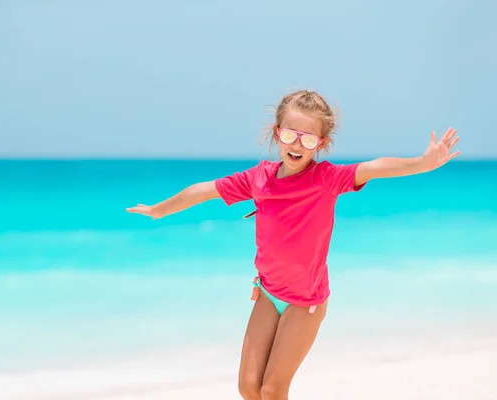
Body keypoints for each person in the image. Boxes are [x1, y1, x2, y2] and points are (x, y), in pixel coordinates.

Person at [126, 90, 460, 400]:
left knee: (272, 389)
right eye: (289, 134)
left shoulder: (325, 179)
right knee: (248, 387)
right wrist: (159, 210)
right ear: (276, 133)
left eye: (308, 137)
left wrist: (422, 163)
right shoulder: (259, 179)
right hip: (268, 294)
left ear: (321, 143)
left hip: (306, 301)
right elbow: (204, 190)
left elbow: (372, 168)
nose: (296, 144)